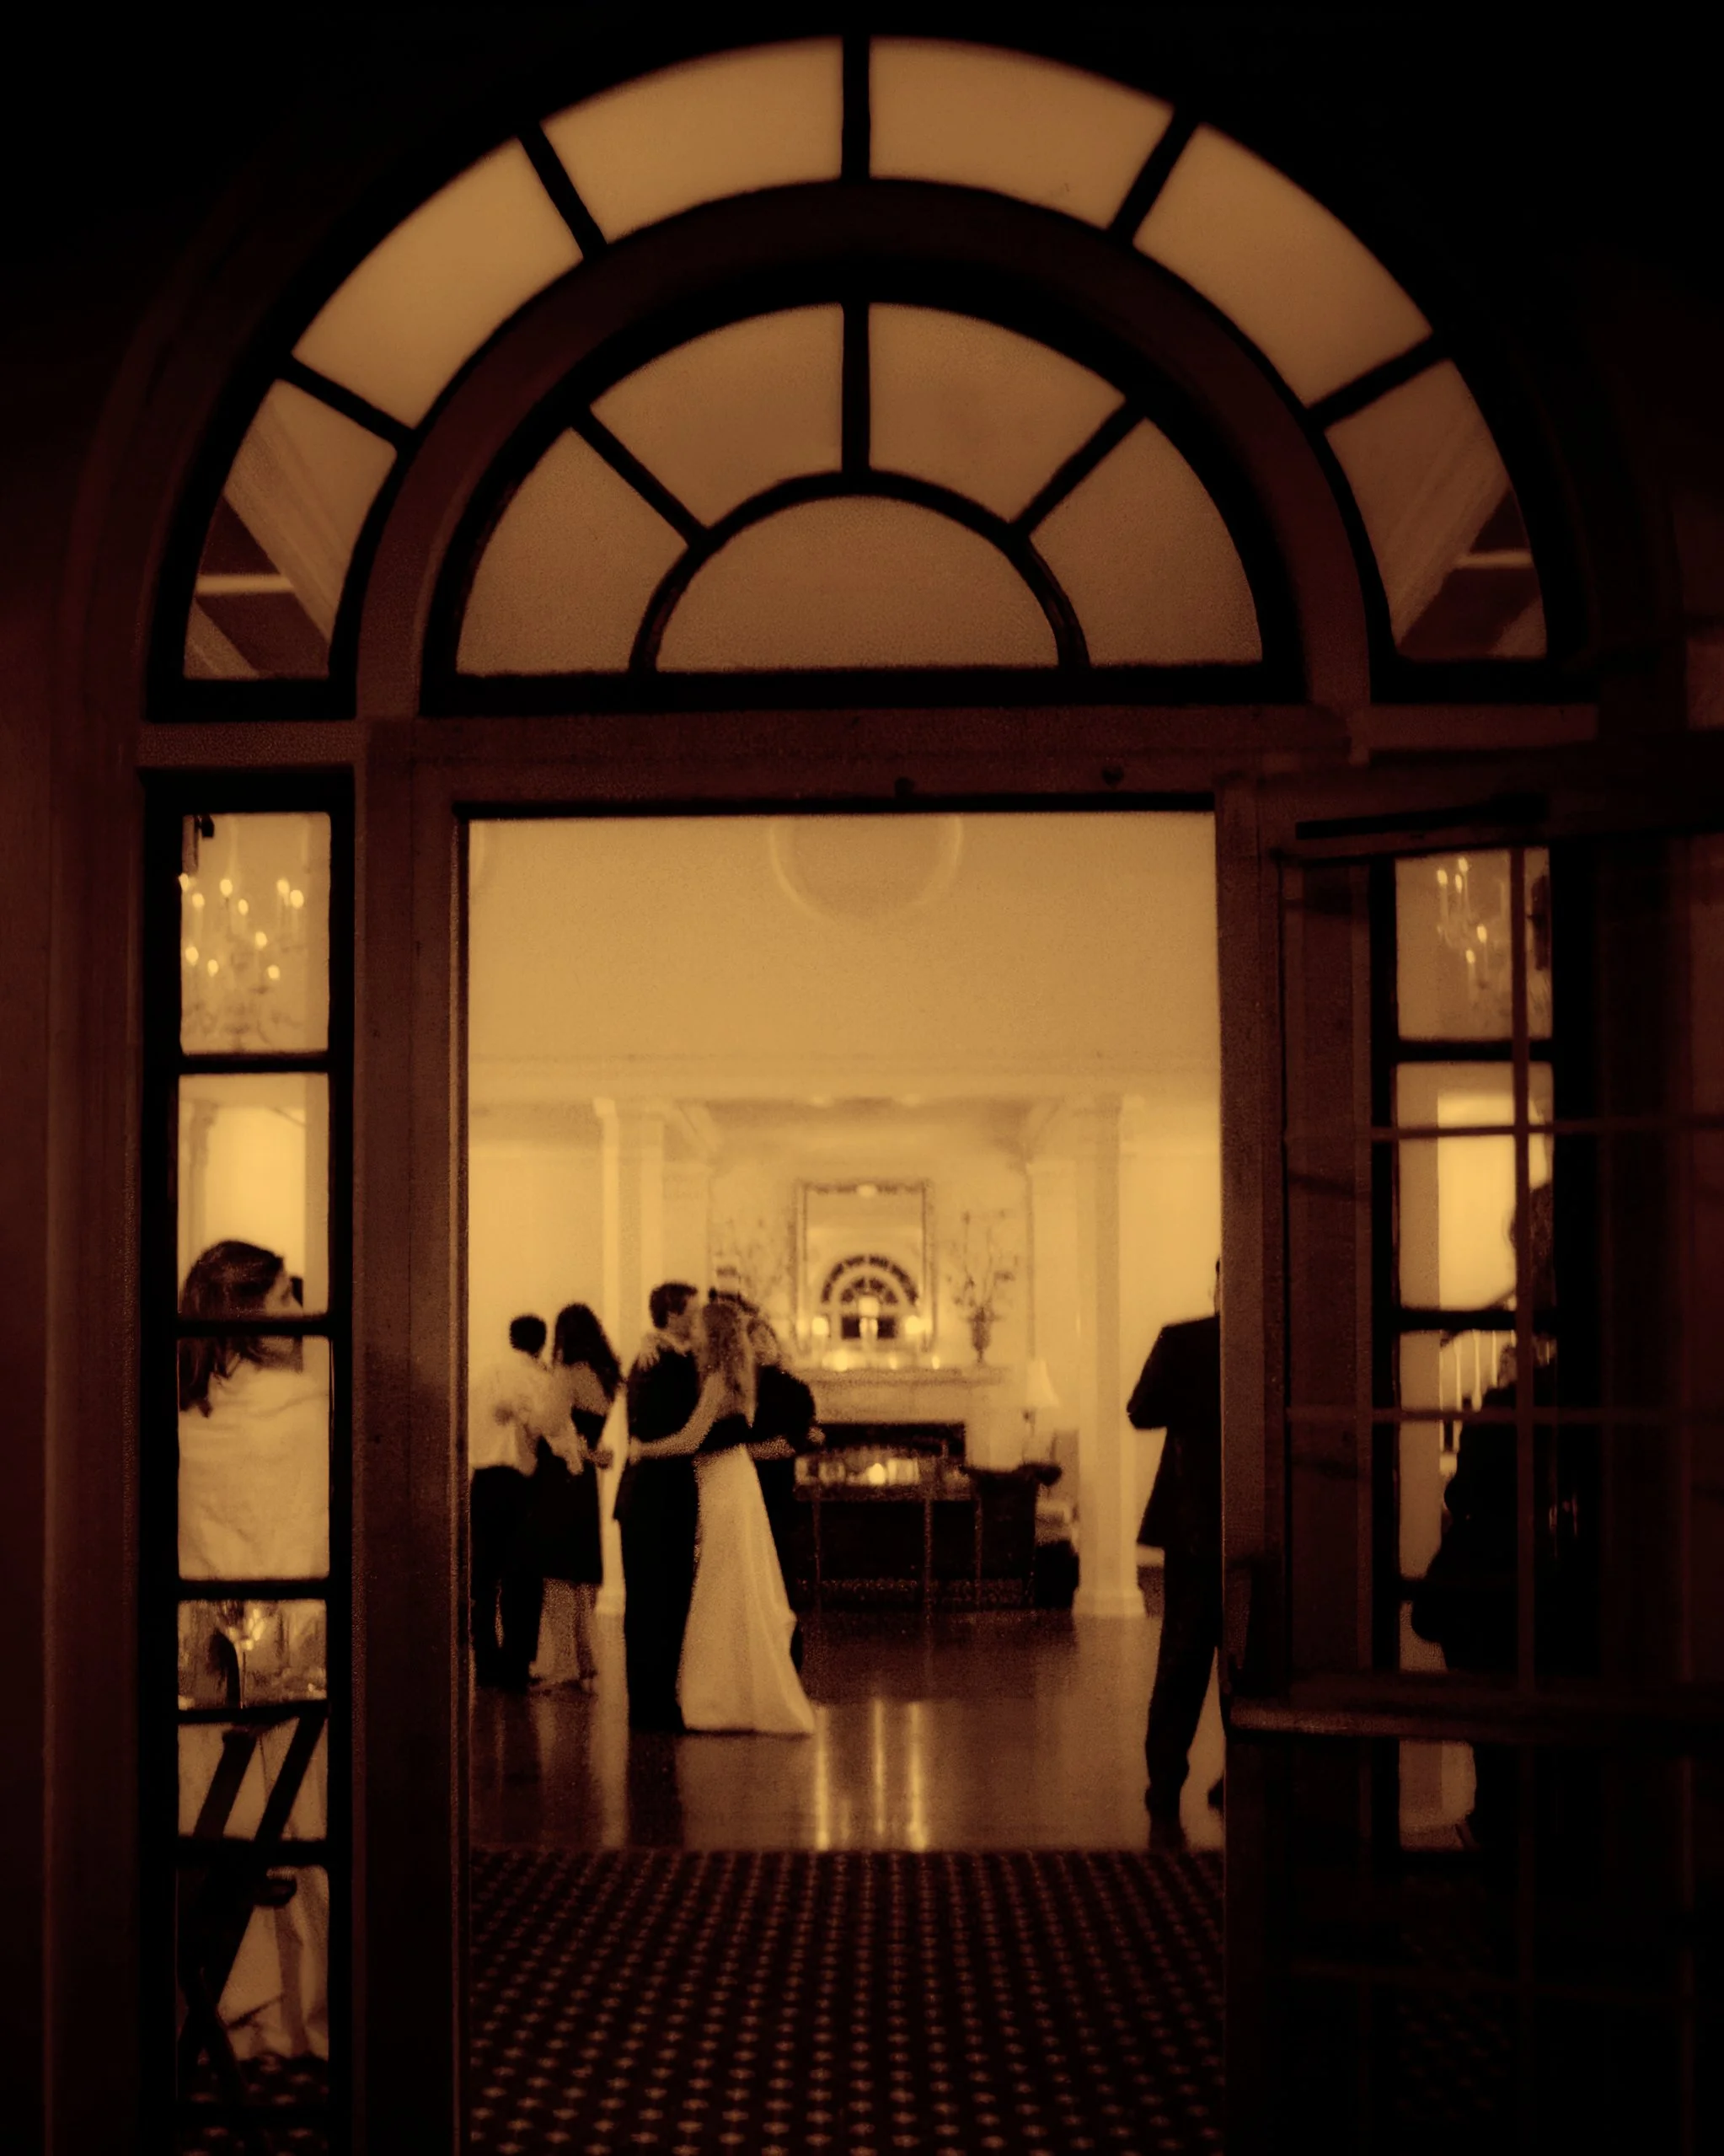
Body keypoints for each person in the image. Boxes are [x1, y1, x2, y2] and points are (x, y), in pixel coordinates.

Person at [177, 1238, 329, 2063]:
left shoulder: (182, 1408)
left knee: (219, 1823)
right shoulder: (301, 1408)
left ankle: (228, 2008)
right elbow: (309, 1535)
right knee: (298, 1823)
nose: (299, 1310)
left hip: (202, 1639)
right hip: (288, 1630)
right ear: (247, 1314)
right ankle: (303, 2014)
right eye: (282, 1298)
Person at [630, 1296, 816, 1735]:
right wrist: (648, 1339)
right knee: (734, 1581)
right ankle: (737, 1691)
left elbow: (691, 1439)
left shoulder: (717, 1380)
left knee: (722, 1582)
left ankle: (720, 1697)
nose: (692, 1332)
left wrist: (643, 1449)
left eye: (699, 1327)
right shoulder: (738, 1374)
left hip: (723, 1484)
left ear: (711, 1334)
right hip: (733, 1480)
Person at [1128, 1260, 1224, 1836]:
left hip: (1192, 1519)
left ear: (1217, 1286)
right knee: (1255, 1656)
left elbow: (1141, 1411)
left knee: (1182, 1661)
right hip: (1263, 1516)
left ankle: (1165, 1782)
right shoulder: (1281, 1341)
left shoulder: (1184, 1340)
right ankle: (1245, 1771)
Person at [715, 1293, 824, 1671]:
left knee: (778, 1573)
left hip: (775, 1491)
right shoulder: (736, 1387)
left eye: (767, 1338)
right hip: (738, 1490)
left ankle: (784, 1657)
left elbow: (795, 1439)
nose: (762, 1345)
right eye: (754, 1339)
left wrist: (745, 1454)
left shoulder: (791, 1388)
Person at [616, 1282, 703, 1730]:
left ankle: (652, 1702)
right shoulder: (660, 1364)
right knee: (658, 1602)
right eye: (693, 1310)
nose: (699, 1317)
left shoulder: (664, 1357)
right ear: (673, 1314)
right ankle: (653, 1705)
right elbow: (657, 1429)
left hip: (654, 1494)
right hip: (656, 1496)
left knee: (657, 1601)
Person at [522, 1302, 621, 1692]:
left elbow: (549, 1422)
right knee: (581, 1573)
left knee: (558, 1573)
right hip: (584, 1482)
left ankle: (564, 1664)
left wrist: (527, 1416)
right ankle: (586, 1661)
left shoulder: (567, 1372)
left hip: (559, 1478)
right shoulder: (604, 1375)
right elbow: (590, 1438)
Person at [468, 1312, 556, 1692]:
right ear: (542, 1342)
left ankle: (485, 1662)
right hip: (522, 1483)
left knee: (484, 1577)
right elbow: (549, 1430)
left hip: (484, 1480)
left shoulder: (482, 1374)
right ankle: (517, 1664)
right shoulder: (540, 1379)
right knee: (523, 1576)